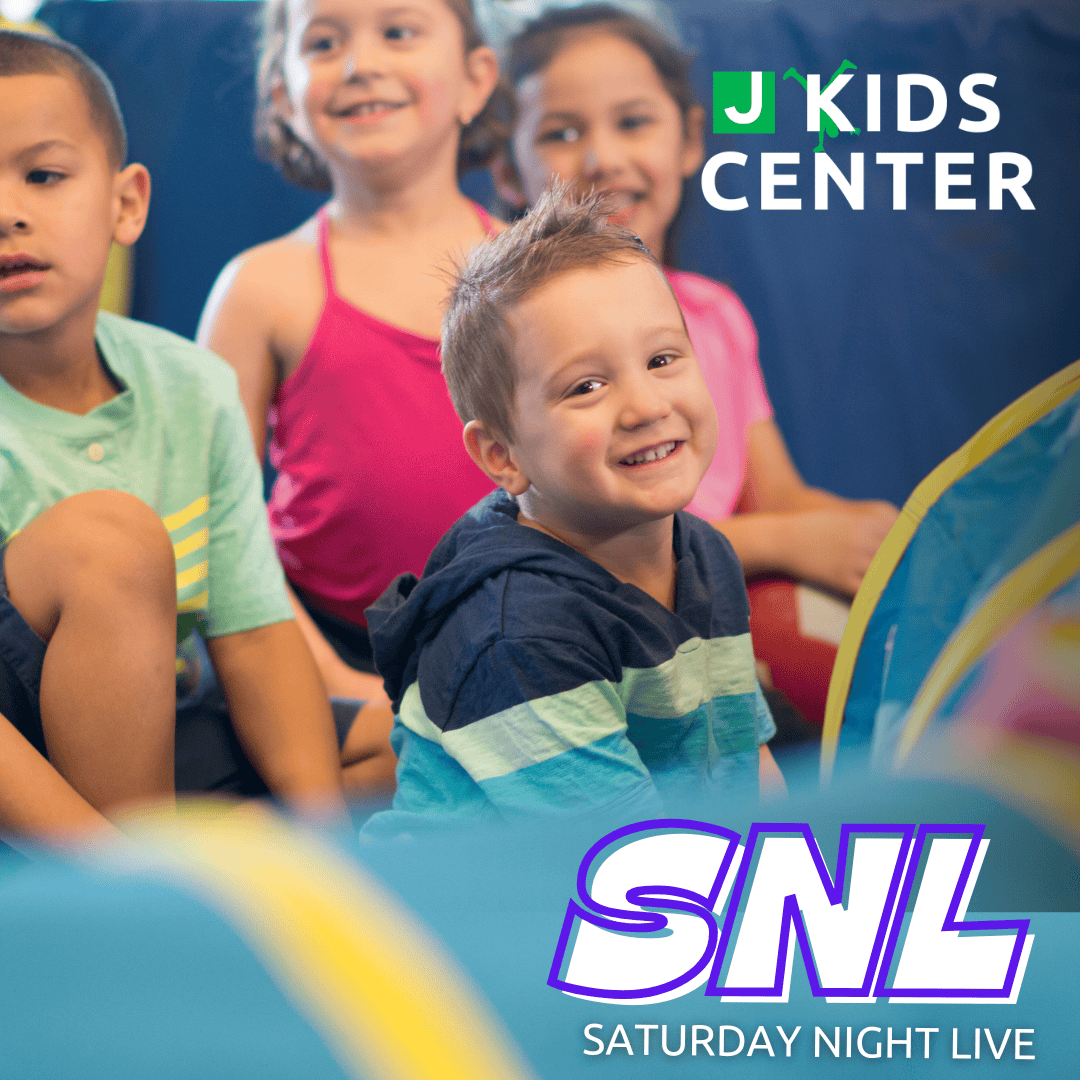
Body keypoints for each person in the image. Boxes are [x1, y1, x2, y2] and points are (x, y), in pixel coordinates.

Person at [0, 29, 383, 839]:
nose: (8, 214)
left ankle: (216, 846)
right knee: (110, 542)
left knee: (411, 741)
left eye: (43, 176)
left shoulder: (190, 385)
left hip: (164, 725)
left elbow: (254, 636)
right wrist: (112, 868)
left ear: (125, 204)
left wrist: (322, 831)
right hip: (22, 762)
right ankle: (143, 875)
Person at [495, 4, 901, 721]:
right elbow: (580, 546)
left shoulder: (715, 314)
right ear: (506, 170)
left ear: (688, 140)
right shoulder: (515, 341)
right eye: (561, 133)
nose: (603, 158)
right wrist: (785, 541)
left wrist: (892, 535)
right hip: (603, 662)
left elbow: (779, 495)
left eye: (633, 122)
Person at [364, 187, 783, 832]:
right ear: (502, 454)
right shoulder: (516, 636)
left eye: (662, 359)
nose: (646, 406)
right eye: (586, 386)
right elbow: (630, 860)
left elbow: (747, 771)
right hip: (505, 895)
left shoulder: (704, 553)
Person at [197, 0, 509, 704]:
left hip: (524, 633)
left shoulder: (537, 274)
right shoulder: (261, 288)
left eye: (398, 32)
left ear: (475, 79)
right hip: (324, 649)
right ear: (285, 98)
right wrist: (335, 684)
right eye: (325, 43)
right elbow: (216, 521)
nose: (362, 64)